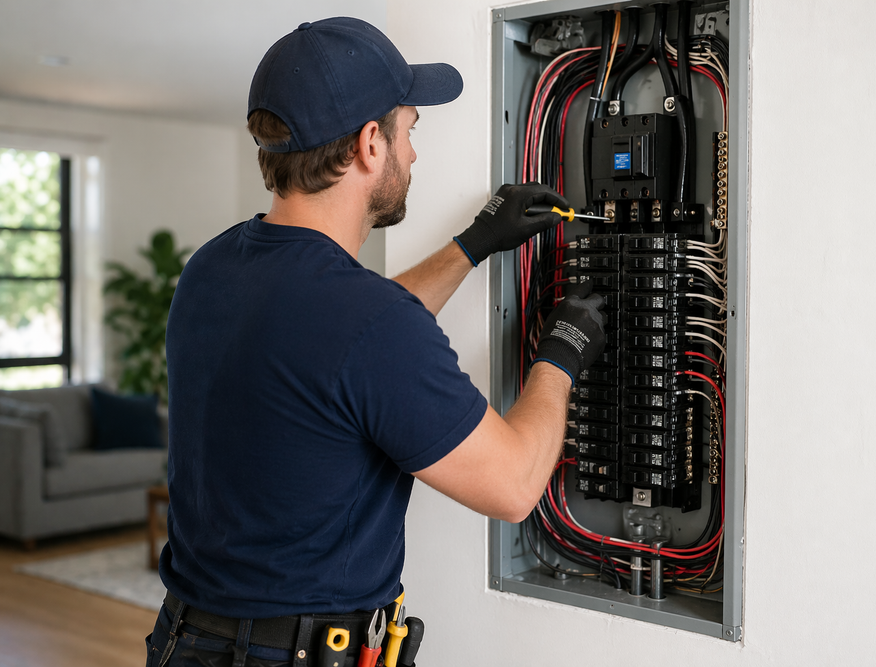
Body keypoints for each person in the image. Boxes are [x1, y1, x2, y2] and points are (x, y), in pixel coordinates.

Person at [145, 16, 606, 667]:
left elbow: (340, 351)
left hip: (184, 642)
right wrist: (561, 353)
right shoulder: (365, 323)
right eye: (409, 131)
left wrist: (473, 245)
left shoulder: (213, 269)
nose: (413, 154)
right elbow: (514, 482)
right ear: (369, 144)